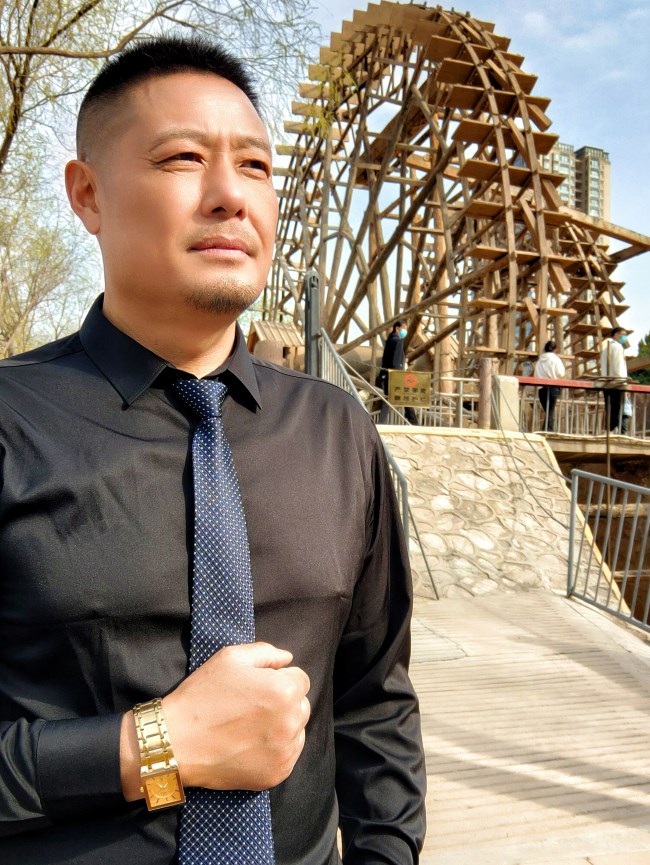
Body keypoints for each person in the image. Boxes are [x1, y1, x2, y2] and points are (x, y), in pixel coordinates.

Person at [0, 37, 426, 864]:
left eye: (257, 166)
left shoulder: (338, 431)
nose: (231, 195)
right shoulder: (14, 421)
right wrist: (155, 747)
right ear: (87, 194)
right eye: (183, 158)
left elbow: (375, 700)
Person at [377, 321, 418, 424]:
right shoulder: (398, 341)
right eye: (404, 328)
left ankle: (382, 422)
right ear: (397, 328)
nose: (405, 331)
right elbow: (395, 361)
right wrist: (399, 373)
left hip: (387, 374)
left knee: (389, 400)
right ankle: (413, 421)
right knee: (405, 397)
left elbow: (387, 359)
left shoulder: (390, 340)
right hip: (396, 375)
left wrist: (402, 360)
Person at [600, 326, 630, 434]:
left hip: (607, 382)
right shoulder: (617, 347)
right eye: (623, 334)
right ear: (616, 334)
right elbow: (619, 367)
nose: (625, 337)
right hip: (617, 382)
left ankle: (610, 431)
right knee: (618, 410)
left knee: (610, 409)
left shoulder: (605, 349)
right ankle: (616, 433)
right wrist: (624, 383)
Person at [534, 339, 565, 432]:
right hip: (552, 387)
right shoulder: (555, 359)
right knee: (550, 411)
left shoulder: (539, 361)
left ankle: (547, 430)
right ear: (555, 349)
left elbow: (536, 375)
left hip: (541, 388)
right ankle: (548, 431)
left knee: (548, 411)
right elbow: (560, 373)